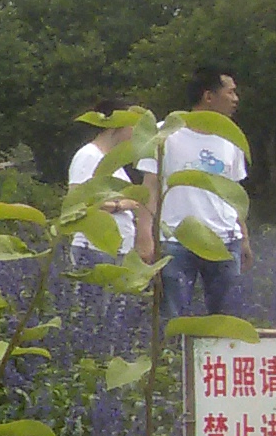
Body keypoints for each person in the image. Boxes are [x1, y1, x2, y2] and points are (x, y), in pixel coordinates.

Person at [158, 66, 245, 317]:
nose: (235, 99)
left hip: (225, 240)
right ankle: (171, 357)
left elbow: (234, 192)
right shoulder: (165, 132)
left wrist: (244, 237)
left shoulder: (231, 138)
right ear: (209, 96)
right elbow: (151, 186)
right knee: (173, 318)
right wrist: (145, 234)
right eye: (230, 92)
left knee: (226, 320)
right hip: (175, 241)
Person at [66, 96, 155, 261]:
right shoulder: (88, 155)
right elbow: (76, 203)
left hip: (115, 249)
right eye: (132, 124)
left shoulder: (111, 161)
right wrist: (119, 205)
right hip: (94, 248)